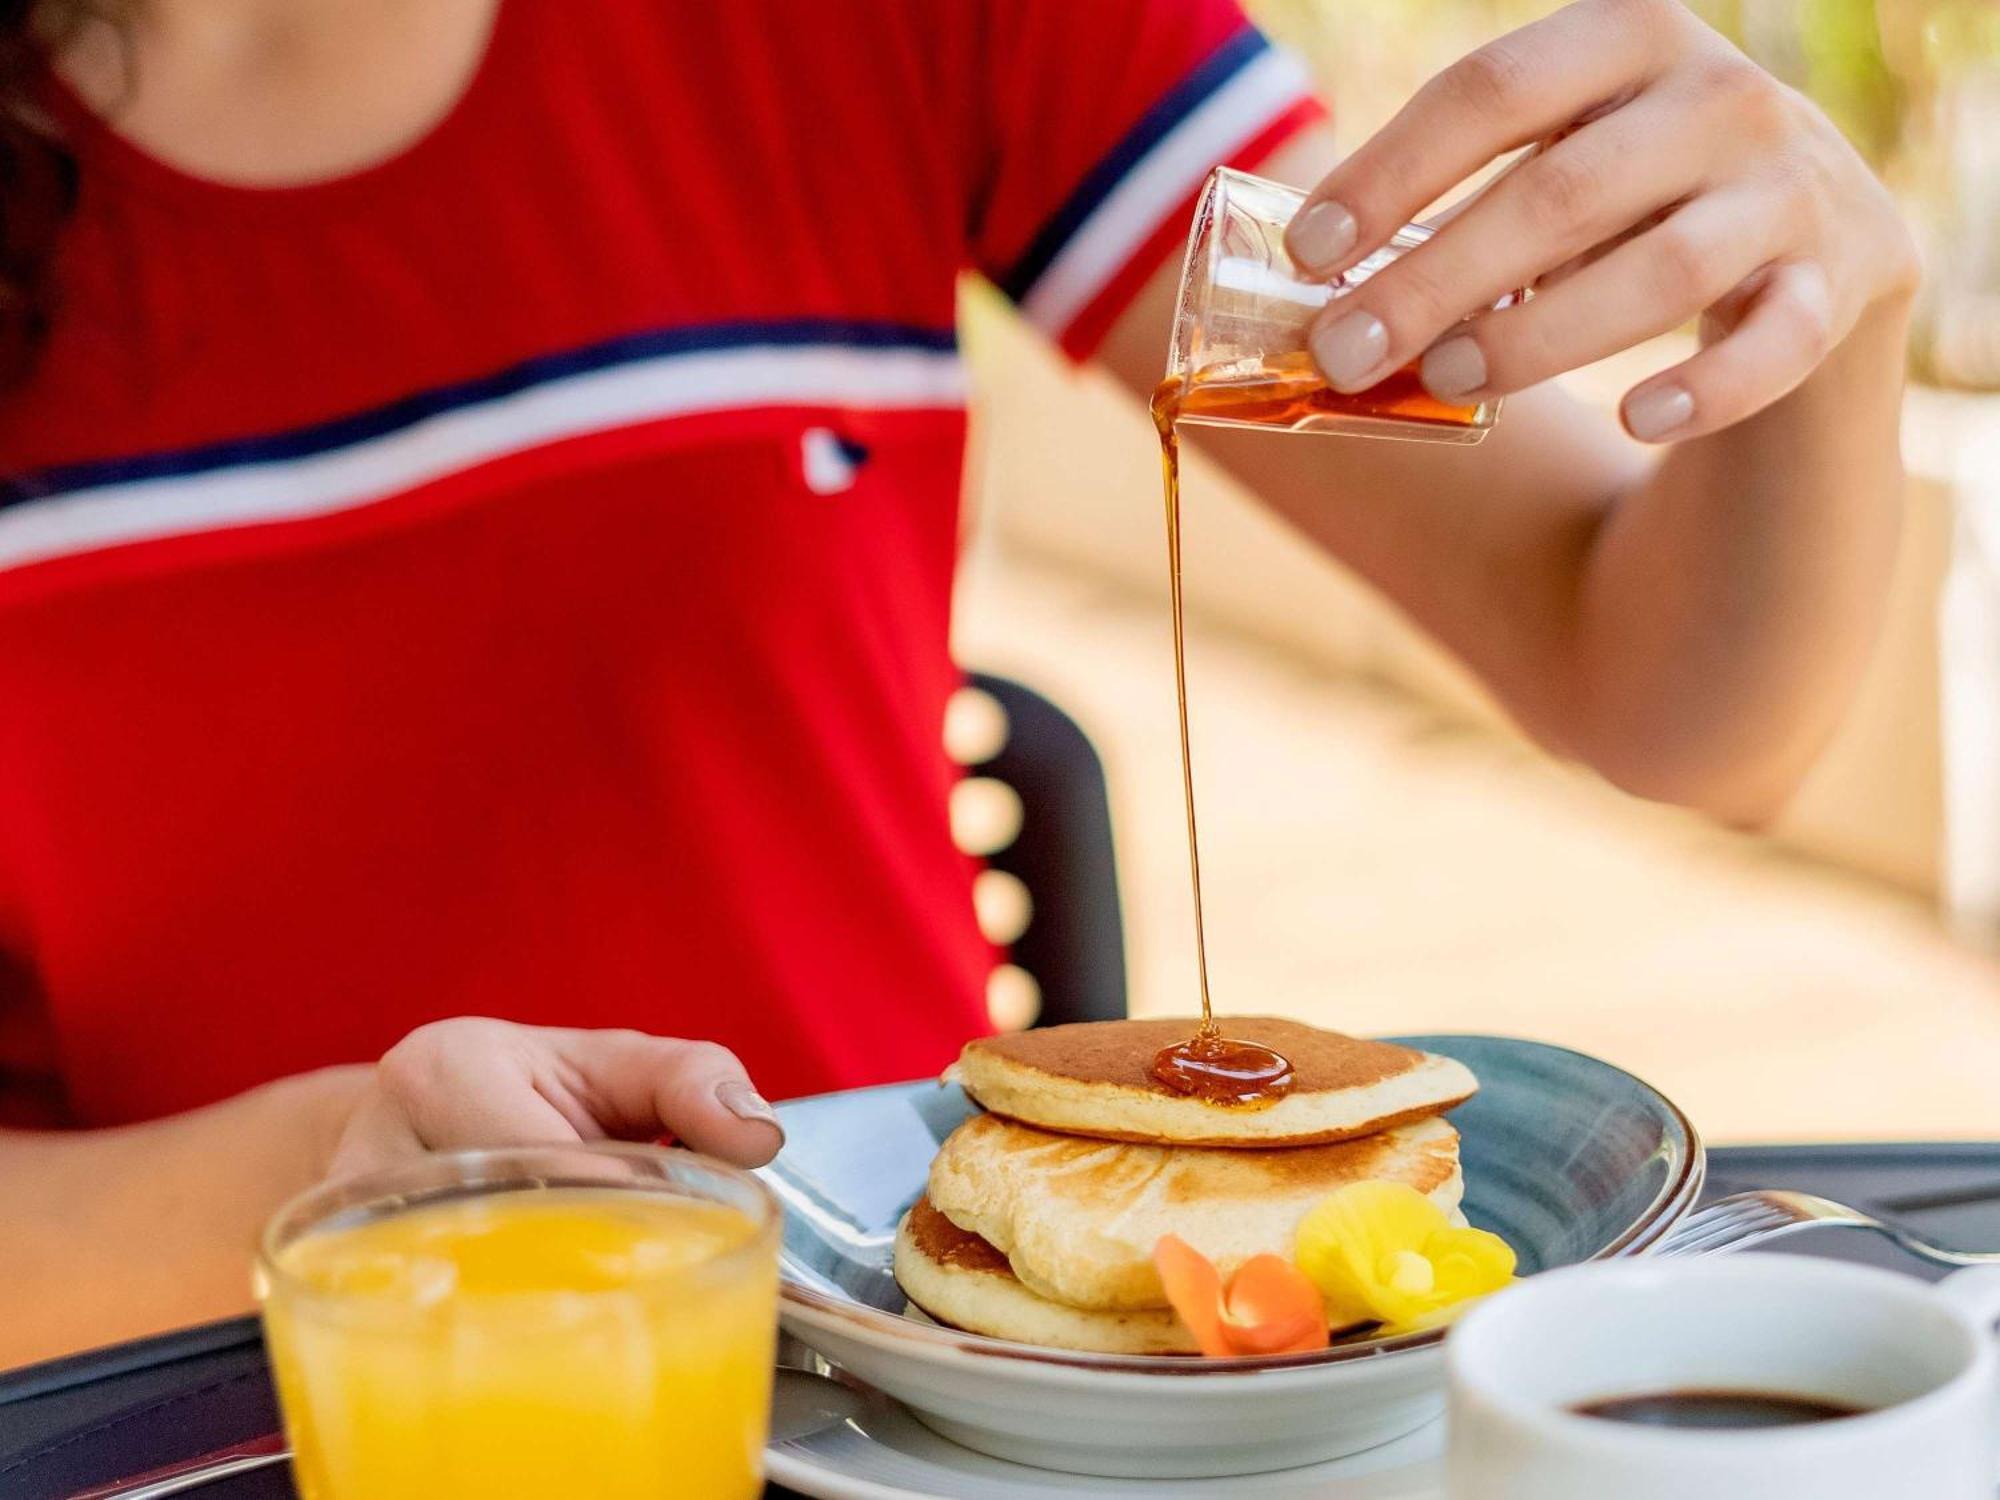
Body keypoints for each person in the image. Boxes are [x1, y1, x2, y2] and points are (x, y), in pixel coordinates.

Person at [0, 0, 1915, 1365]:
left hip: (936, 1402)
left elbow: (1674, 691)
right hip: (205, 1410)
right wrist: (329, 1174)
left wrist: (1822, 310)